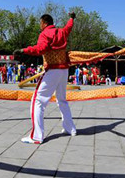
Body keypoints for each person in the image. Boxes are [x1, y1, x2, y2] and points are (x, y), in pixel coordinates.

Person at [13, 12, 77, 144]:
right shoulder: (61, 32)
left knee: (37, 101)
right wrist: (71, 18)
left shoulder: (45, 34)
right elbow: (68, 27)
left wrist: (24, 50)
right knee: (62, 99)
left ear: (44, 23)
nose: (40, 25)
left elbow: (41, 49)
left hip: (52, 70)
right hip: (64, 70)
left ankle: (36, 136)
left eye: (40, 23)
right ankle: (70, 129)